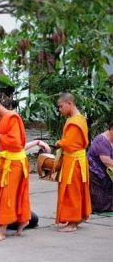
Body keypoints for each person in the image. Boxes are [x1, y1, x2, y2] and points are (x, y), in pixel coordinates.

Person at [0, 95, 31, 241]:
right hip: (8, 161)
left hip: (14, 163)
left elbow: (16, 143)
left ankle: (2, 231)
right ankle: (23, 220)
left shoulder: (12, 117)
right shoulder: (2, 119)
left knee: (7, 196)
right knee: (13, 194)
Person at [55, 93, 92, 232]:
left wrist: (59, 142)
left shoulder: (76, 121)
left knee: (72, 191)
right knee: (76, 190)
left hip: (74, 161)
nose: (60, 109)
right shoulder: (78, 119)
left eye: (61, 106)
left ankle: (73, 222)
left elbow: (69, 144)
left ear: (69, 103)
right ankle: (76, 218)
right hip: (76, 160)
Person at [87, 122, 113, 212]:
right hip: (96, 176)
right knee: (100, 205)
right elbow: (106, 161)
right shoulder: (101, 140)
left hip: (107, 175)